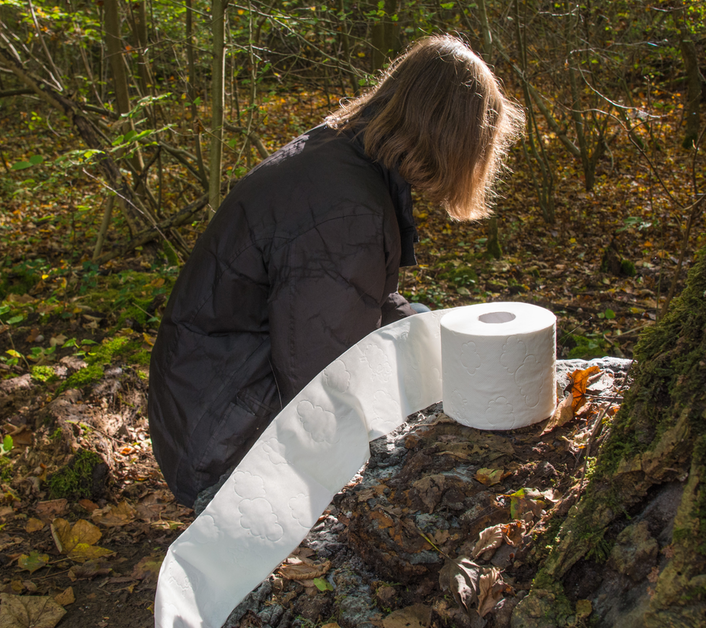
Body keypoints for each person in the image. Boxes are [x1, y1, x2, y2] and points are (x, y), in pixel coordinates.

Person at [148, 35, 521, 509]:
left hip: (202, 400)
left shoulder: (341, 155)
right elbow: (321, 384)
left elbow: (361, 303)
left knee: (423, 324)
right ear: (453, 139)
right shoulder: (348, 212)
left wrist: (449, 345)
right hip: (220, 443)